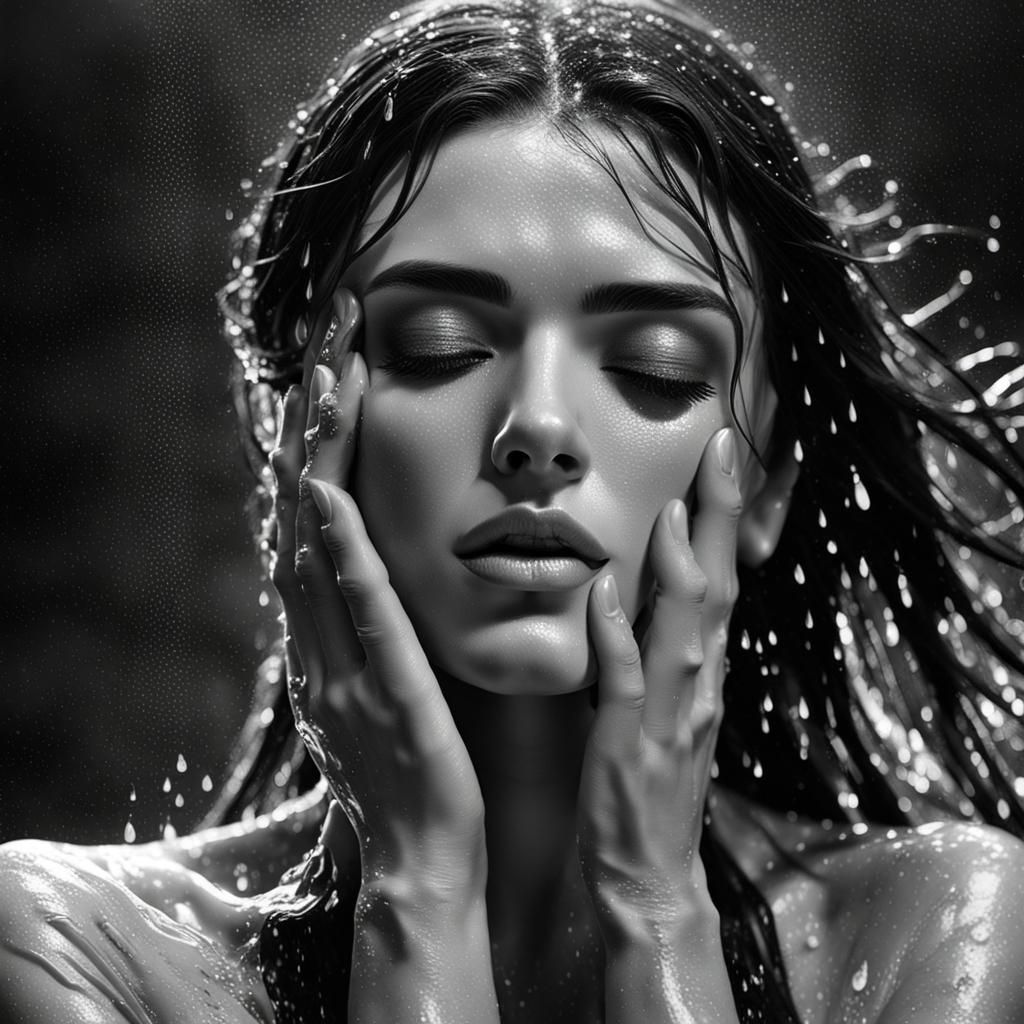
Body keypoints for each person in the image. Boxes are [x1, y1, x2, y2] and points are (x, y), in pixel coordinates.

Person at [3, 0, 1024, 1021]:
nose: (535, 427)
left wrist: (656, 906)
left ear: (764, 484)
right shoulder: (79, 947)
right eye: (440, 345)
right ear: (303, 431)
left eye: (652, 367)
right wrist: (414, 889)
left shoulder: (928, 931)